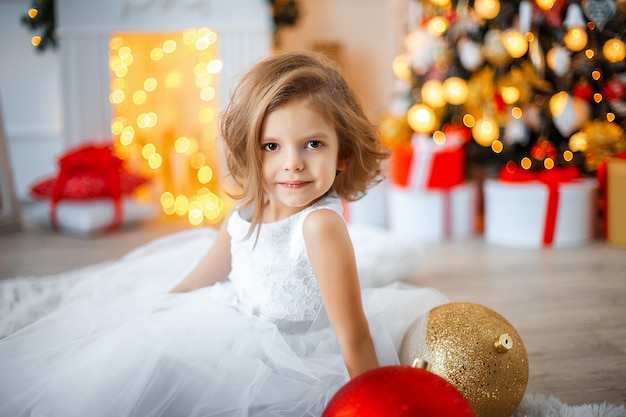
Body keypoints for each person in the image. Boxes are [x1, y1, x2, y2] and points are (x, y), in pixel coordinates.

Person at [0, 51, 448, 416]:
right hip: (230, 322)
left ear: (343, 154)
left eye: (313, 144)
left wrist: (373, 404)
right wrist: (155, 313)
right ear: (251, 152)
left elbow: (353, 335)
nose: (292, 162)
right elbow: (206, 273)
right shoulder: (249, 210)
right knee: (138, 364)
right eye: (272, 146)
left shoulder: (320, 225)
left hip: (293, 358)